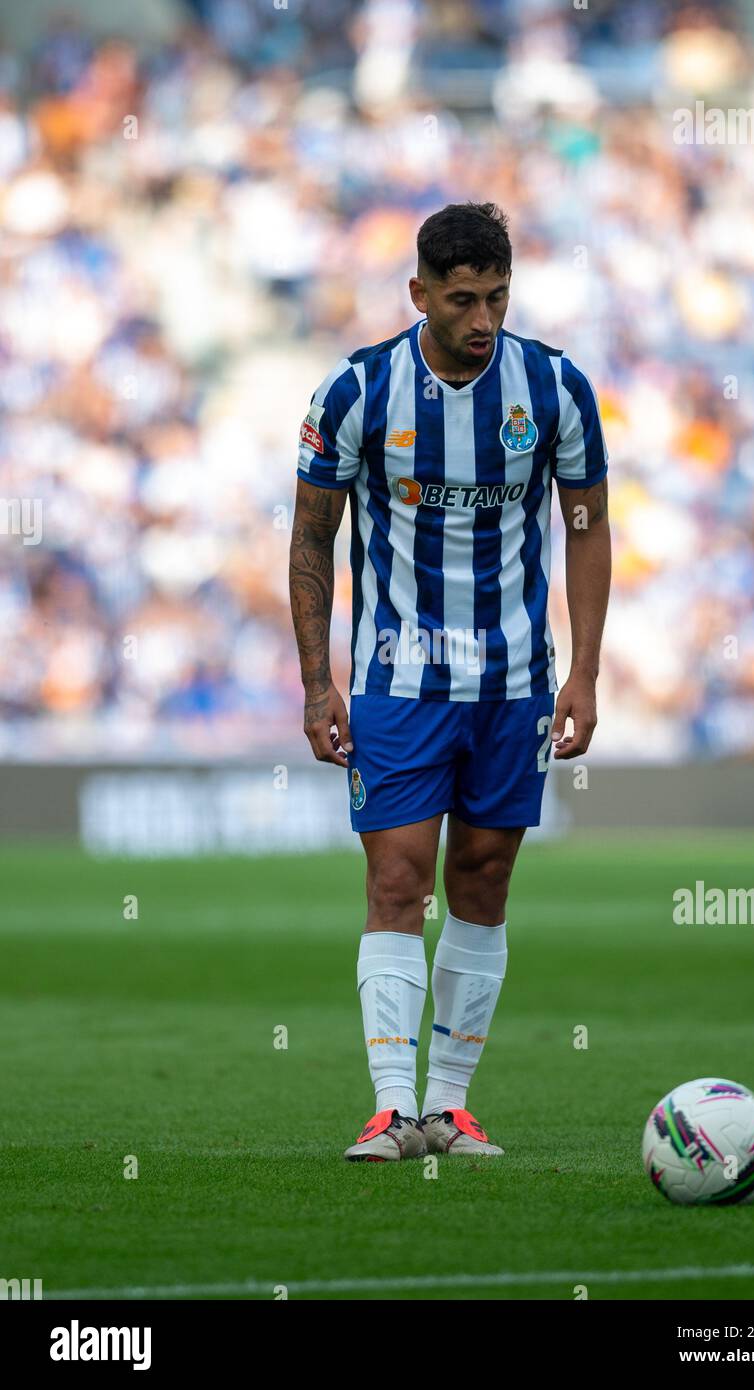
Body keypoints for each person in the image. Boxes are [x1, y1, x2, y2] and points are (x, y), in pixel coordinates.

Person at [289, 201, 611, 1160]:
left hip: (514, 681)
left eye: (498, 298)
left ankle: (450, 1106)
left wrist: (584, 672)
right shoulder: (355, 391)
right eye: (463, 299)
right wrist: (317, 682)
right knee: (396, 880)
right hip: (398, 678)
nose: (483, 319)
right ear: (418, 292)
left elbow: (588, 533)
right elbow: (311, 541)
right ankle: (391, 1108)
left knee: (483, 877)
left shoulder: (554, 387)